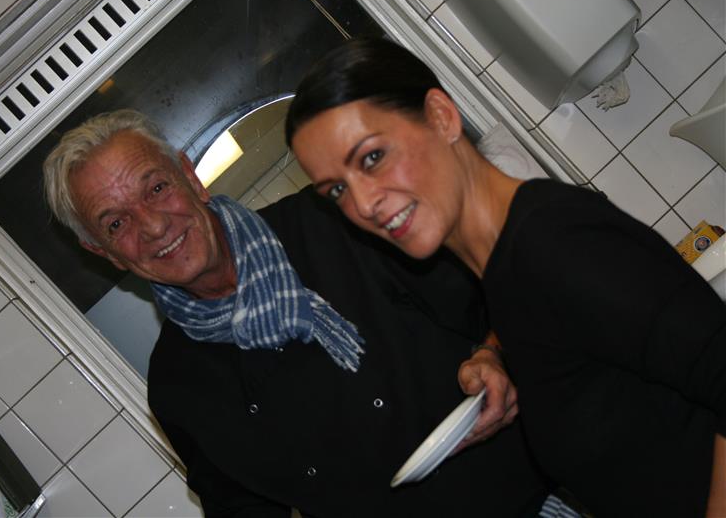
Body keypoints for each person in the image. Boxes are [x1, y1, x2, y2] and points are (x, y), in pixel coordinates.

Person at [286, 38, 726, 518]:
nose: (363, 203)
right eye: (336, 191)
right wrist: (493, 354)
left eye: (372, 158)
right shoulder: (503, 272)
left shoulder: (550, 241)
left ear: (441, 117)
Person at [42, 110, 557, 516]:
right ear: (104, 253)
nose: (153, 226)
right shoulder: (177, 386)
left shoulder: (338, 220)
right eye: (116, 224)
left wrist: (494, 354)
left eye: (156, 188)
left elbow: (504, 282)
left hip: (534, 494)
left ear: (190, 177)